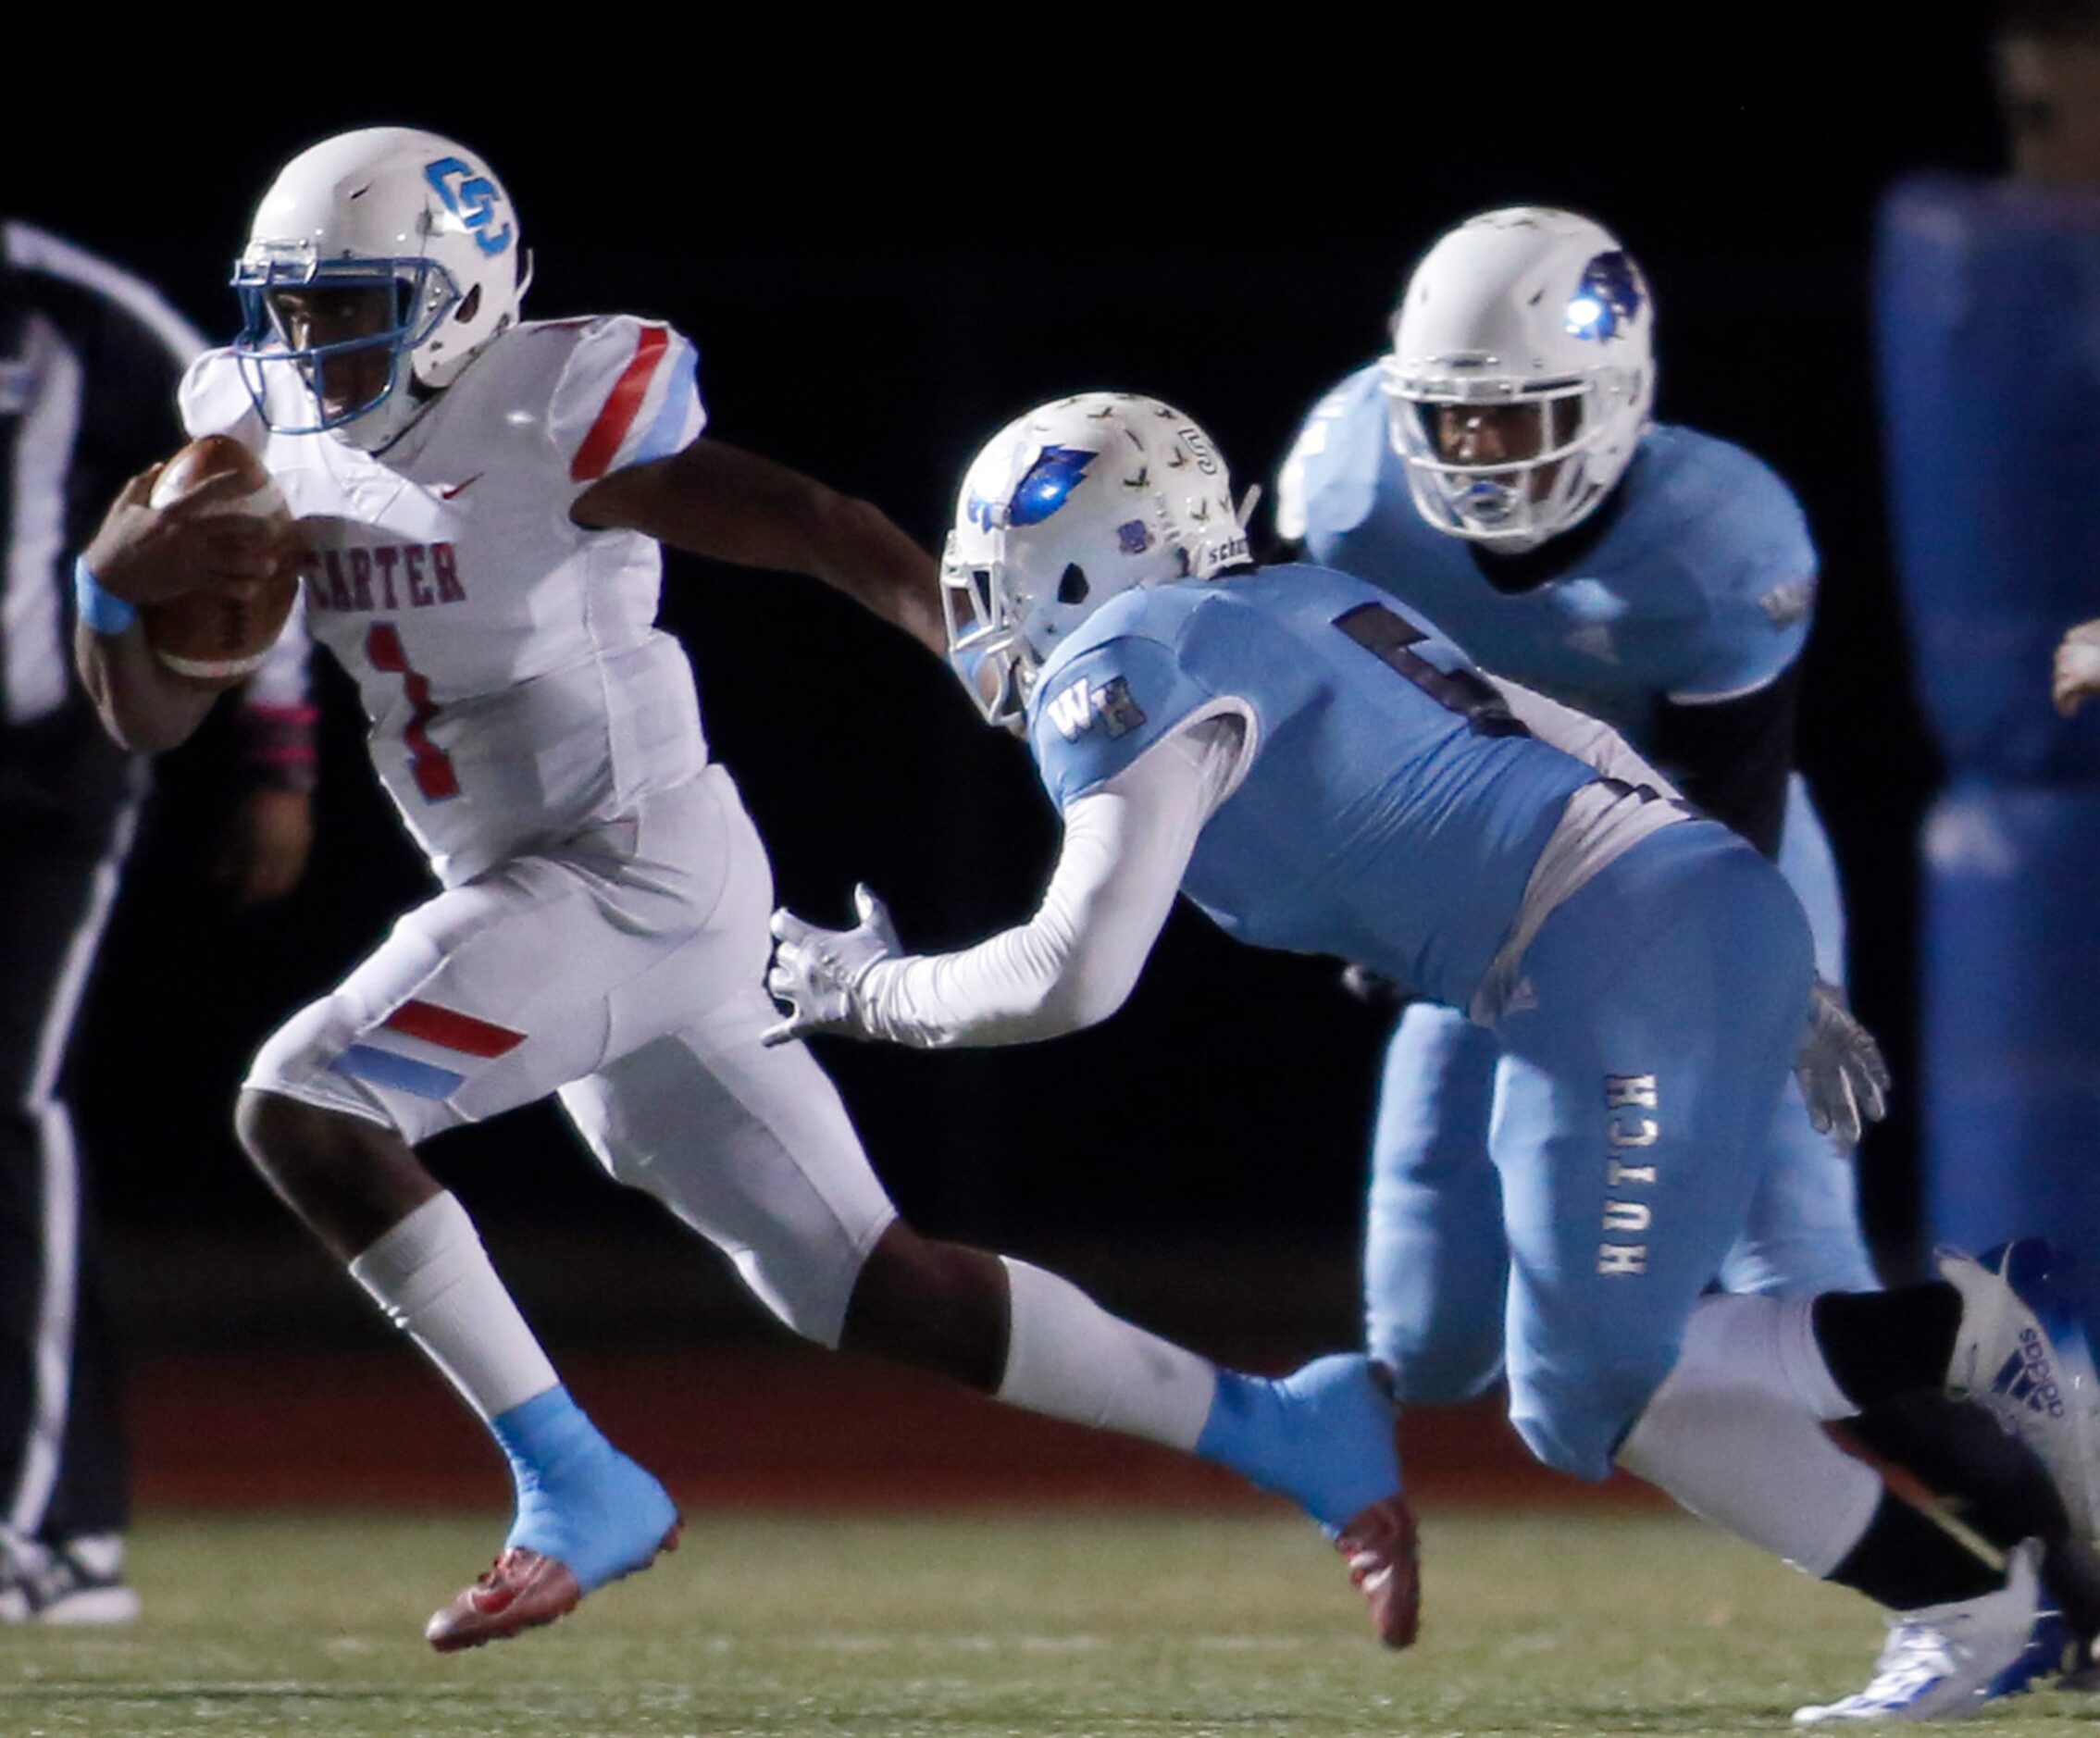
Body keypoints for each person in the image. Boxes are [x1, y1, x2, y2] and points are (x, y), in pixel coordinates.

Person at [70, 128, 1418, 1654]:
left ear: (457, 300)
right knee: (866, 1285)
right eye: (290, 309)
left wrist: (984, 654)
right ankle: (1290, 1429)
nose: (306, 348)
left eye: (348, 307)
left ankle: (572, 1480)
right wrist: (112, 590)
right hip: (552, 887)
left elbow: (814, 526)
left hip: (630, 871)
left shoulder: (553, 407)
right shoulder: (246, 426)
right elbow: (152, 717)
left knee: (306, 1103)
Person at [764, 391, 2098, 1719]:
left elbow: (1071, 976)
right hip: (1621, 941)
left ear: (1086, 555)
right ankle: (1969, 1560)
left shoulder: (1127, 660)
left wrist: (861, 988)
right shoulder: (1297, 601)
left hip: (1610, 957)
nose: (989, 613)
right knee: (1580, 1397)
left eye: (1000, 574)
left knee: (1592, 1392)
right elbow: (1569, 738)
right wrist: (1767, 953)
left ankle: (1982, 1395)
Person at [1274, 205, 2100, 1695]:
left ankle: (2049, 1555)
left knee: (1746, 1285)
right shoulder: (1345, 488)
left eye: (1516, 418)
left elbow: (1712, 824)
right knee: (1436, 1332)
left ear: (1614, 400)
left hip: (1708, 886)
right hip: (1472, 907)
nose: (1478, 462)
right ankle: (1995, 1470)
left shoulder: (1715, 542)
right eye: (1450, 425)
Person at [0, 220, 317, 1622]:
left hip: (39, 775)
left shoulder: (84, 314)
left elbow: (248, 507)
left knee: (8, 1102)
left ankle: (57, 1528)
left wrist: (279, 755)